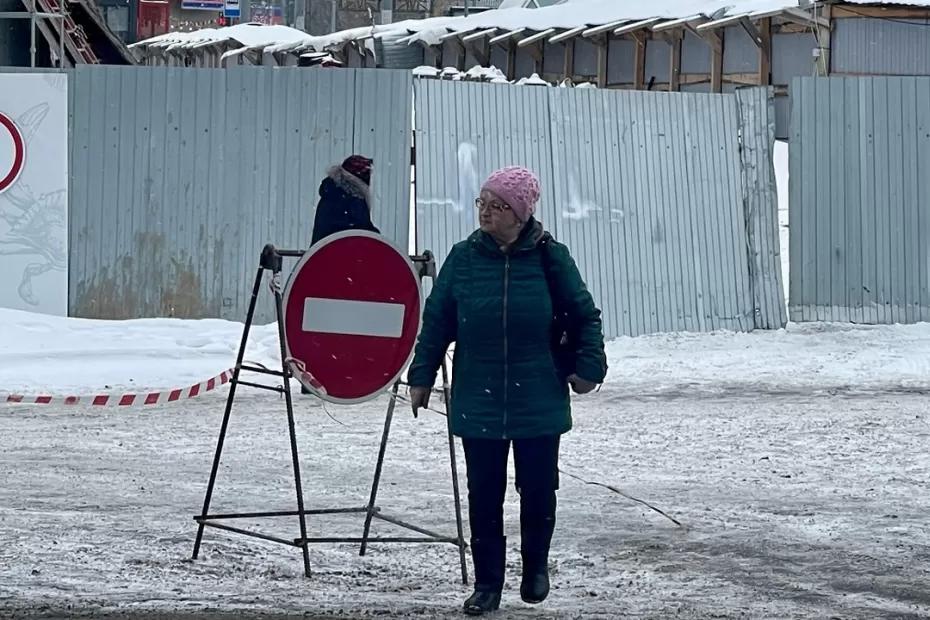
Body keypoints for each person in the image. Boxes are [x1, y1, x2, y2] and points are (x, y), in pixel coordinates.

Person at [406, 166, 608, 615]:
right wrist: (421, 375)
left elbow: (584, 315)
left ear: (519, 214)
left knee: (537, 489)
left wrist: (588, 369)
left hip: (537, 391)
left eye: (497, 206)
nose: (486, 213)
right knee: (484, 493)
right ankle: (487, 584)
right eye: (482, 203)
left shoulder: (551, 258)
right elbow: (437, 320)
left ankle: (535, 566)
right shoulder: (463, 258)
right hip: (479, 394)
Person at [310, 154, 379, 246]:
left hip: (324, 252)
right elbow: (359, 229)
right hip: (343, 254)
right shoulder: (352, 200)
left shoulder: (332, 193)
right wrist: (376, 237)